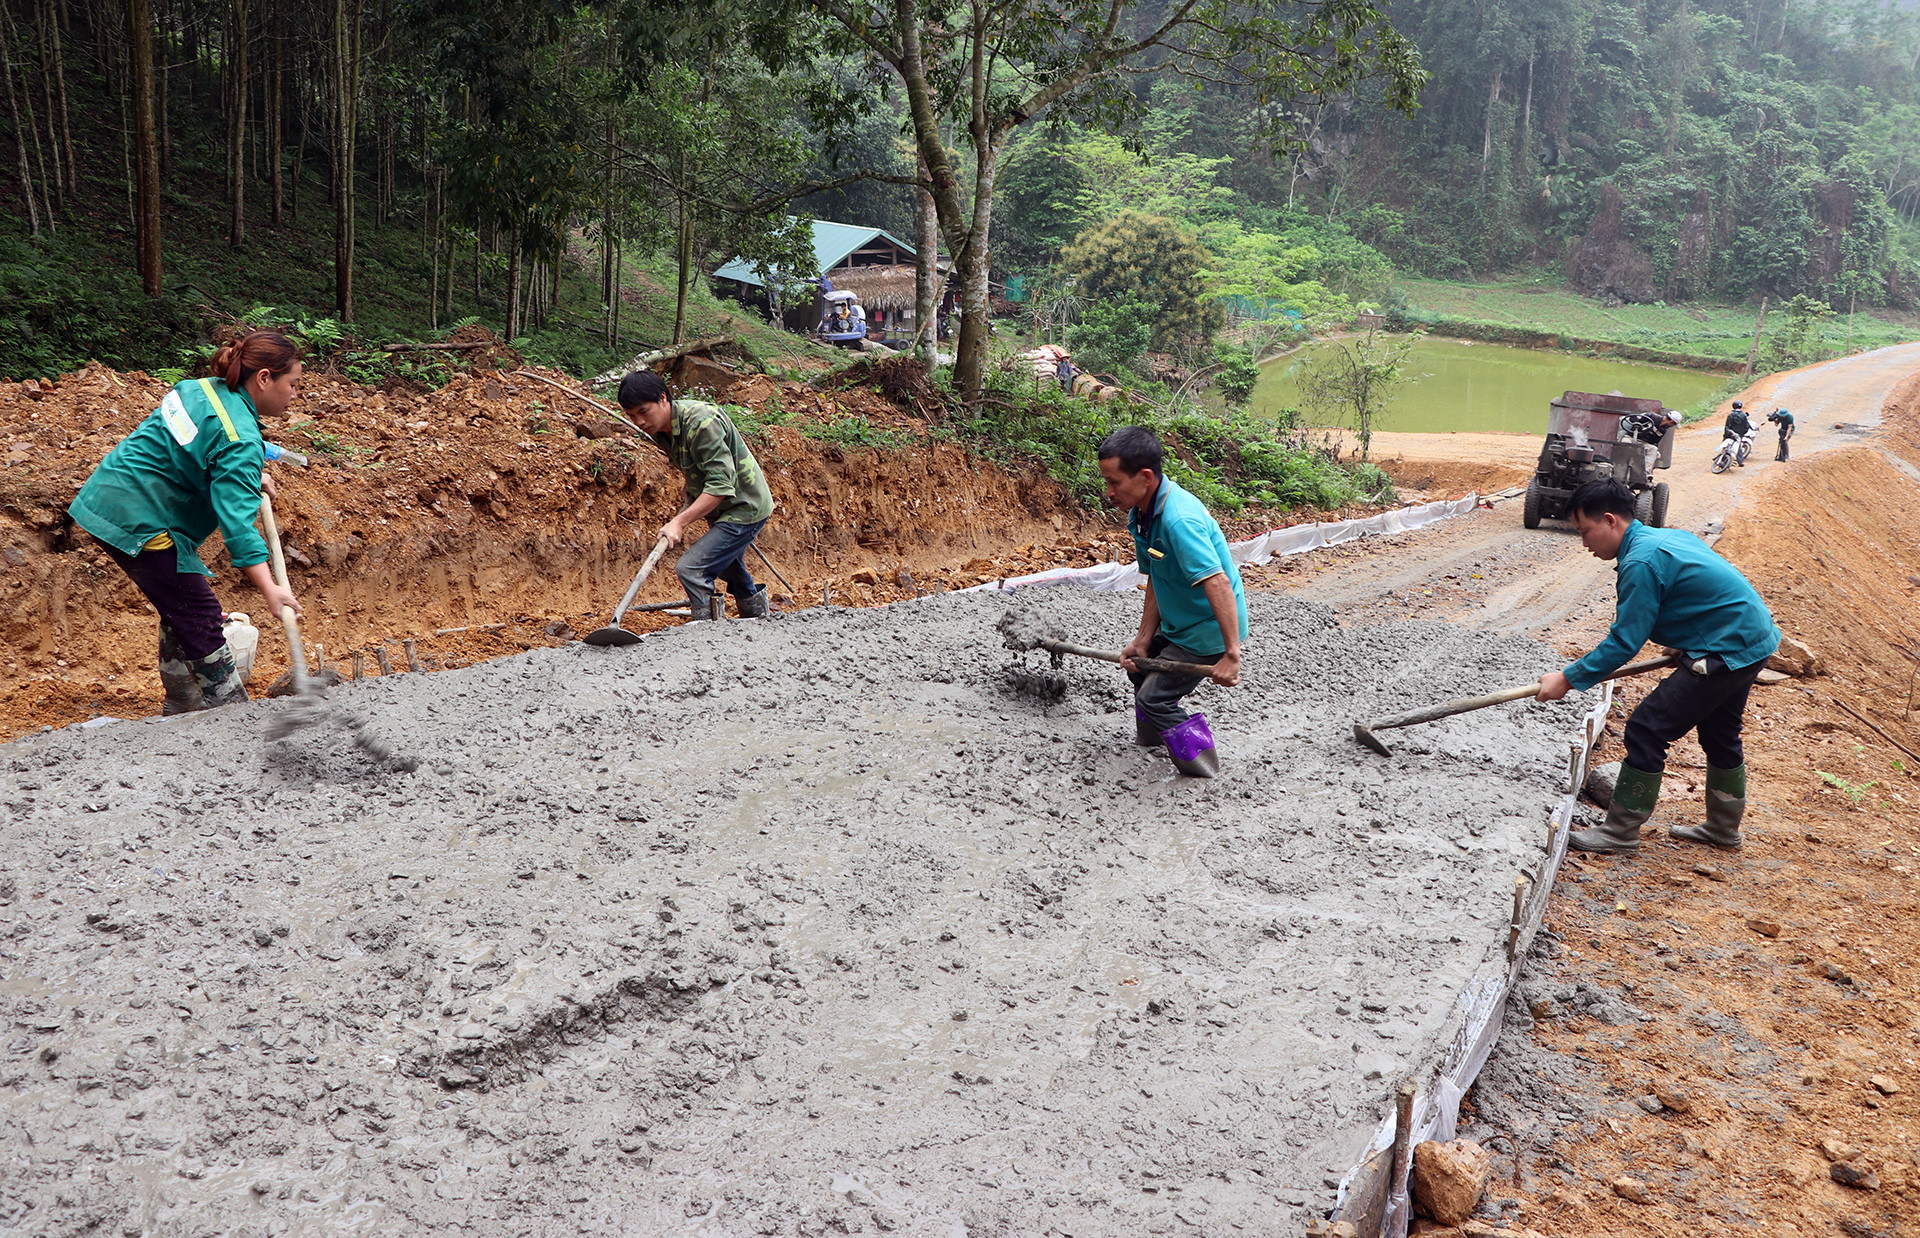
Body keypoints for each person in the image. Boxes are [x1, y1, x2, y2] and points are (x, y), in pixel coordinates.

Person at [1536, 478, 1781, 853]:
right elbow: (1704, 593)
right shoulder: (1664, 539)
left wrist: (1568, 679)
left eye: (1585, 532)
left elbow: (1624, 642)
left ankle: (1619, 833)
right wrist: (1687, 642)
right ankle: (1722, 828)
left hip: (1727, 650)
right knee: (1720, 732)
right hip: (1751, 638)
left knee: (1647, 729)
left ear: (1609, 520)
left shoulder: (1640, 561)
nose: (1584, 543)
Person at [67, 330, 304, 714]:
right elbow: (239, 529)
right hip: (141, 522)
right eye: (292, 384)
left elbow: (200, 442)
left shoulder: (202, 390)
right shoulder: (240, 442)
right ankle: (230, 713)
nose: (295, 394)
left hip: (108, 494)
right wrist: (271, 590)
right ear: (264, 378)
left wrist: (244, 470)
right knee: (200, 617)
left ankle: (183, 700)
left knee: (180, 604)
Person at [1099, 426, 1247, 778]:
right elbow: (1157, 579)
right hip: (1179, 619)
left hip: (1208, 628)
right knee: (1142, 667)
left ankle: (1203, 767)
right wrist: (1143, 640)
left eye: (1114, 482)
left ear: (1145, 477)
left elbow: (1218, 581)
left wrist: (1230, 655)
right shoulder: (1143, 515)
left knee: (1155, 698)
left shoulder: (1180, 520)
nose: (1109, 492)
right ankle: (1152, 740)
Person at [618, 370, 775, 621]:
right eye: (631, 416)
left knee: (692, 568)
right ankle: (757, 617)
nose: (639, 422)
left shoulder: (702, 422)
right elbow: (699, 463)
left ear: (663, 399)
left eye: (643, 411)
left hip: (745, 507)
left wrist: (679, 522)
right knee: (726, 563)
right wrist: (691, 484)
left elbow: (721, 485)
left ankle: (706, 632)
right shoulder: (661, 430)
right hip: (722, 508)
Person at [1618, 406, 1680, 482]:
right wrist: (1638, 425)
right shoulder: (1651, 416)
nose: (1672, 426)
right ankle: (1620, 466)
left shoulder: (1662, 431)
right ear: (1671, 422)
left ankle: (1646, 472)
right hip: (1630, 437)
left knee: (1654, 449)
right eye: (1673, 425)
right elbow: (1633, 418)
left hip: (1644, 443)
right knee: (1625, 443)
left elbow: (1655, 443)